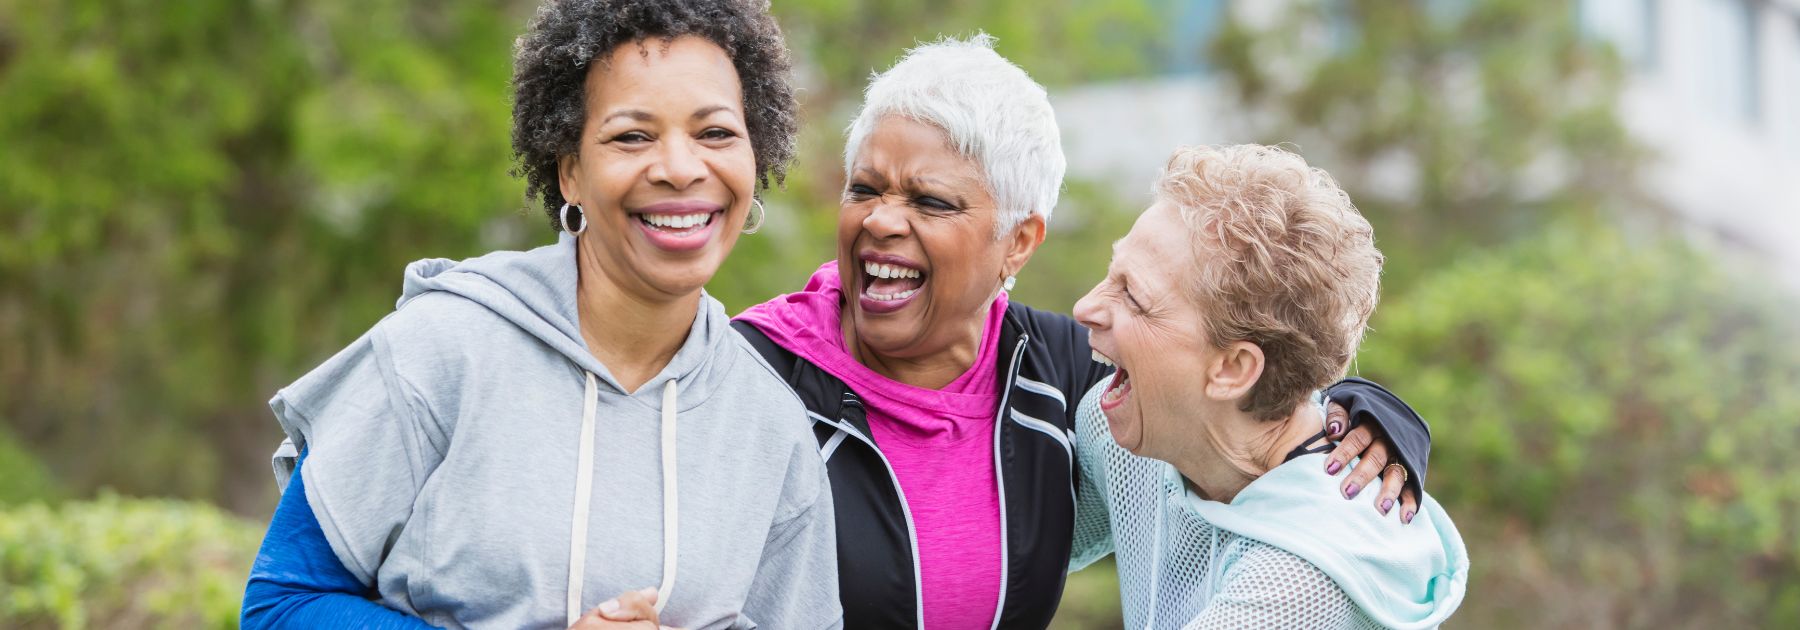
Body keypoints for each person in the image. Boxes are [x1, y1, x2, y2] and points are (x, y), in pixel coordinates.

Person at [730, 36, 1433, 629]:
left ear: (1019, 241)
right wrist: (1349, 405)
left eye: (930, 200)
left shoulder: (1066, 385)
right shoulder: (744, 377)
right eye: (864, 189)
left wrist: (1364, 413)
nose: (1088, 308)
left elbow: (1260, 389)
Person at [238, 1, 840, 628]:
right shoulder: (441, 350)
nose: (682, 169)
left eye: (715, 133)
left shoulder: (771, 428)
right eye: (632, 135)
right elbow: (281, 605)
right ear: (570, 172)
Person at [1068, 144, 1469, 628]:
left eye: (1133, 296)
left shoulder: (1298, 585)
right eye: (1113, 274)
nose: (1084, 308)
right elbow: (1001, 557)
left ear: (1233, 369)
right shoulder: (1127, 428)